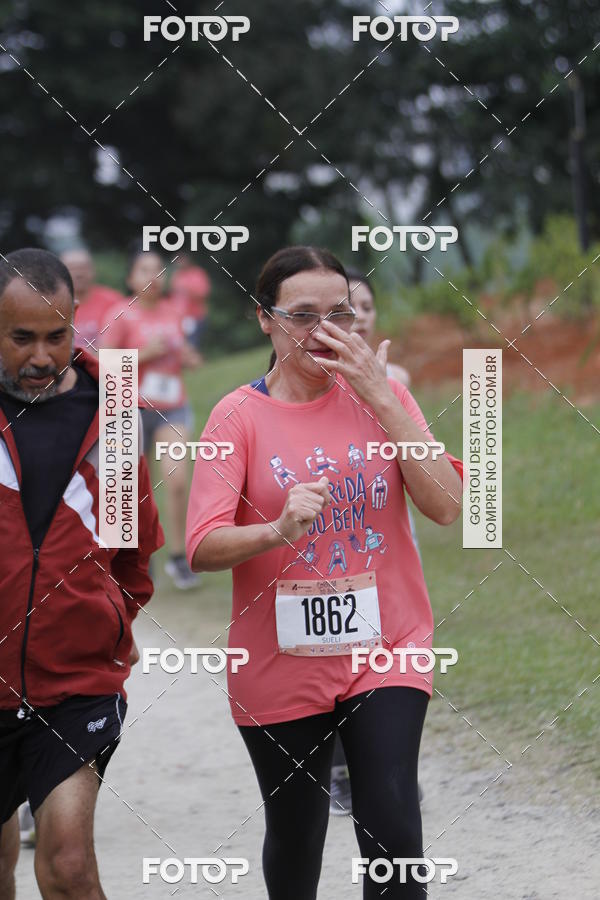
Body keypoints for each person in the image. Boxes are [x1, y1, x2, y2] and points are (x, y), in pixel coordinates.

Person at [186, 246, 463, 899]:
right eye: (301, 316)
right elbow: (201, 544)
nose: (322, 331)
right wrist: (277, 530)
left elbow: (447, 506)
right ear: (265, 320)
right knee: (296, 836)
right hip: (280, 659)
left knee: (394, 829)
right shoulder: (237, 415)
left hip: (386, 648)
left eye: (338, 313)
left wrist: (379, 396)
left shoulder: (385, 396)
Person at [0, 248, 164, 899]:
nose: (42, 356)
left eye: (56, 335)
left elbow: (133, 554)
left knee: (68, 867)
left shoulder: (115, 414)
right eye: (21, 338)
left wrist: (107, 619)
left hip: (75, 687)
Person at [328, 270, 422, 816]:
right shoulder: (299, 380)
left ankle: (394, 771)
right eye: (347, 307)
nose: (356, 316)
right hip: (331, 546)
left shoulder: (398, 379)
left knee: (392, 661)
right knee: (338, 649)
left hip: (388, 538)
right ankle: (340, 768)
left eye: (364, 306)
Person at [101, 249, 201, 590]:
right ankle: (136, 558)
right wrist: (146, 354)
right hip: (128, 410)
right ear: (131, 278)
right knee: (127, 488)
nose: (153, 277)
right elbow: (104, 365)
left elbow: (181, 351)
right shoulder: (120, 314)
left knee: (176, 482)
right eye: (144, 270)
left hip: (173, 406)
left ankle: (177, 557)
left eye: (159, 270)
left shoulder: (174, 310)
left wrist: (186, 357)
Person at [60, 249, 123, 352]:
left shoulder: (114, 301)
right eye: (72, 268)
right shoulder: (52, 305)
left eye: (83, 268)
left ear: (93, 271)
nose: (78, 274)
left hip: (106, 365)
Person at [170, 265, 211, 352]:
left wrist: (188, 289)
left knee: (192, 344)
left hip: (195, 316)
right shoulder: (177, 275)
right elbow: (175, 297)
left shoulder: (196, 273)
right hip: (180, 318)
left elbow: (203, 294)